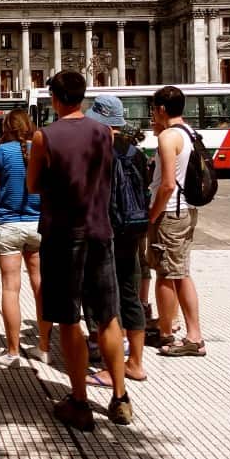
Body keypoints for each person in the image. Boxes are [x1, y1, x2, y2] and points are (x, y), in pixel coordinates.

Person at [27, 71, 132, 430]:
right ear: (83, 98)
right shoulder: (104, 133)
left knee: (69, 319)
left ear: (55, 98)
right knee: (107, 316)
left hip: (62, 235)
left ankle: (79, 401)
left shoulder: (44, 137)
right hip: (100, 232)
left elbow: (34, 184)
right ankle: (120, 398)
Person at [83, 95, 149, 387]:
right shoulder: (135, 151)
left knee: (105, 297)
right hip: (133, 229)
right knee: (130, 294)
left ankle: (112, 365)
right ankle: (135, 362)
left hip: (106, 227)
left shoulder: (99, 151)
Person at [0, 108, 51, 368]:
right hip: (38, 223)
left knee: (10, 288)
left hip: (9, 224)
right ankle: (44, 347)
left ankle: (13, 351)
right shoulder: (42, 148)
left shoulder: (2, 152)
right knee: (40, 286)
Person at [148, 85, 206, 358]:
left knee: (165, 275)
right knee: (181, 273)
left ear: (161, 109)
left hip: (170, 212)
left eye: (153, 109)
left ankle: (167, 332)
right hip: (188, 210)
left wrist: (152, 215)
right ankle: (194, 334)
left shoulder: (168, 137)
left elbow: (168, 184)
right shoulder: (189, 132)